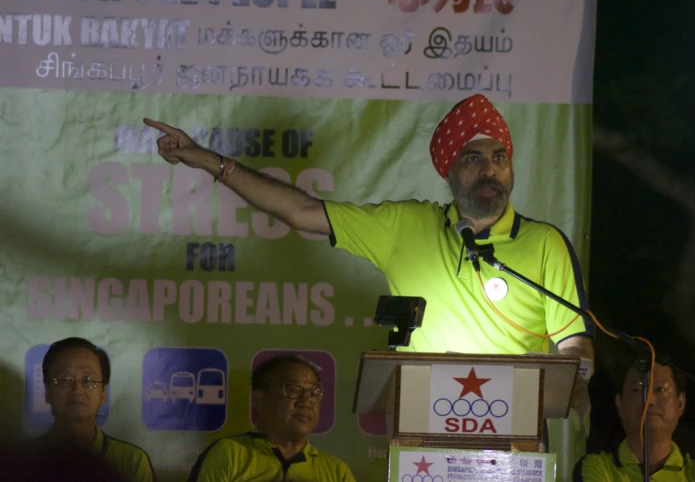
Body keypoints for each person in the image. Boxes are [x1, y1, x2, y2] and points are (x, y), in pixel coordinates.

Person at [145, 93, 595, 399]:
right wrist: (208, 160)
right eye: (473, 157)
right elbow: (302, 212)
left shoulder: (544, 244)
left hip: (512, 444)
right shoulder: (407, 225)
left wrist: (573, 377)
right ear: (448, 171)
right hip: (426, 439)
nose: (490, 169)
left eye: (499, 157)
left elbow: (574, 345)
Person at [0, 337, 156, 482]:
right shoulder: (20, 461)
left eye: (87, 380)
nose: (77, 389)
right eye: (64, 379)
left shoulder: (132, 461)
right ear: (47, 392)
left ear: (103, 393)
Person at [187, 355, 355, 481]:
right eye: (293, 390)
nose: (306, 402)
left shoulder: (336, 472)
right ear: (260, 400)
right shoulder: (229, 454)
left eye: (313, 393)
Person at [572, 358, 695, 481]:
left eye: (660, 390)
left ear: (680, 403)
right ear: (620, 404)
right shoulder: (596, 467)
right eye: (637, 390)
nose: (649, 400)